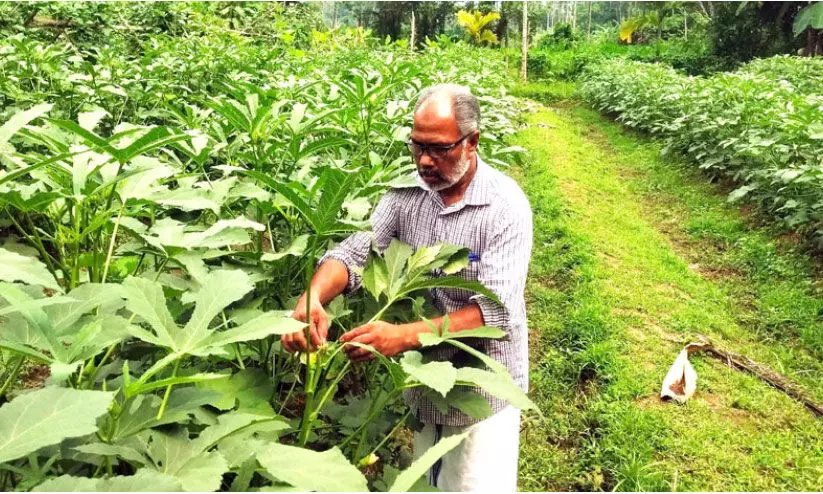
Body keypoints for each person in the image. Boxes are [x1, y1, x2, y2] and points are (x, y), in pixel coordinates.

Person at [281, 83, 533, 492]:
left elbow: (496, 312)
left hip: (481, 384)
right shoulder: (405, 197)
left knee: (472, 484)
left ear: (472, 143)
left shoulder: (505, 208)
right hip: (423, 379)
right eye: (417, 146)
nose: (425, 160)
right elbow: (355, 253)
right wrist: (312, 298)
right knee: (428, 480)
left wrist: (402, 336)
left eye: (439, 148)